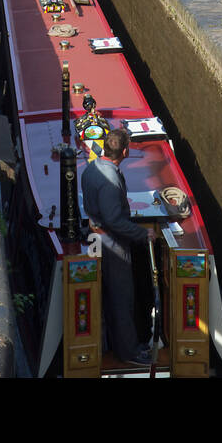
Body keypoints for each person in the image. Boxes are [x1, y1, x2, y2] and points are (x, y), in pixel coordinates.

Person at [80, 129, 157, 364]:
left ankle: (111, 343)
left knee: (110, 295)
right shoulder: (112, 180)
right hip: (112, 243)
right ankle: (130, 353)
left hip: (96, 237)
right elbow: (114, 220)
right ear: (125, 151)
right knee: (122, 298)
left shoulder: (91, 168)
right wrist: (143, 234)